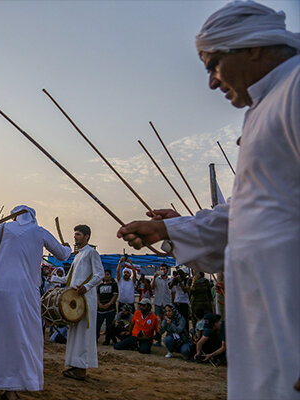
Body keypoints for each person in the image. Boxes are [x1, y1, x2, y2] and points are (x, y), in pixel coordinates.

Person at [117, 2, 300, 397]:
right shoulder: (266, 107)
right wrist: (168, 227)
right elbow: (250, 216)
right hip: (269, 325)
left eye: (213, 64)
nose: (212, 82)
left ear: (253, 48)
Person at [0, 205, 70, 399]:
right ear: (32, 218)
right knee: (20, 341)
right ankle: (11, 392)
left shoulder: (3, 230)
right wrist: (68, 247)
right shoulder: (40, 232)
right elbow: (62, 255)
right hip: (26, 297)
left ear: (14, 218)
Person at [54, 225, 103, 381]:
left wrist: (87, 287)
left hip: (86, 301)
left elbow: (99, 274)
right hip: (75, 301)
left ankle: (81, 369)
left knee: (84, 333)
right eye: (75, 234)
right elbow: (70, 279)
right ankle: (75, 365)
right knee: (75, 333)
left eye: (78, 234)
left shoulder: (91, 253)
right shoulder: (77, 255)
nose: (75, 237)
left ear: (87, 236)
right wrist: (54, 278)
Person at [96, 270, 118, 343]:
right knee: (98, 324)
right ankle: (96, 338)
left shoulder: (114, 284)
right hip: (100, 308)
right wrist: (99, 304)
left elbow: (115, 295)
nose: (106, 276)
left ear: (110, 275)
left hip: (110, 308)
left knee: (109, 325)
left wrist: (109, 304)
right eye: (105, 274)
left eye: (108, 274)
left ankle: (107, 340)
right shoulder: (100, 285)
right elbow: (97, 295)